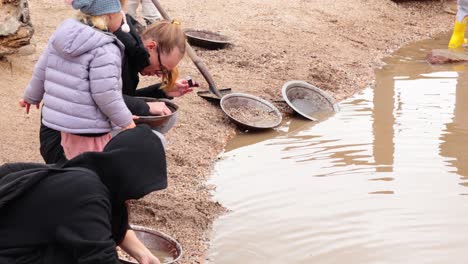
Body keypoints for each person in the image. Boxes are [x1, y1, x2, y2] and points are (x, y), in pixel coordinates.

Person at [39, 14, 196, 165]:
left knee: (163, 121)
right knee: (154, 140)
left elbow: (117, 97)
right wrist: (147, 106)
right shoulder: (113, 52)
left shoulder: (130, 50)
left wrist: (162, 92)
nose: (158, 74)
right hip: (63, 141)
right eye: (162, 68)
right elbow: (104, 98)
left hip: (81, 129)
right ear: (151, 47)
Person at [0, 125, 166, 264]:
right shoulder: (87, 192)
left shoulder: (86, 170)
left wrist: (144, 255)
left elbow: (115, 222)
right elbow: (99, 257)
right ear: (130, 175)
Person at [20, 0, 136, 160]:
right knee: (87, 169)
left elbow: (42, 67)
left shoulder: (62, 33)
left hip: (60, 125)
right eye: (122, 15)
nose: (123, 20)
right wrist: (126, 121)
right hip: (88, 127)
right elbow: (106, 94)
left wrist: (31, 96)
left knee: (68, 164)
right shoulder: (105, 49)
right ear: (110, 15)